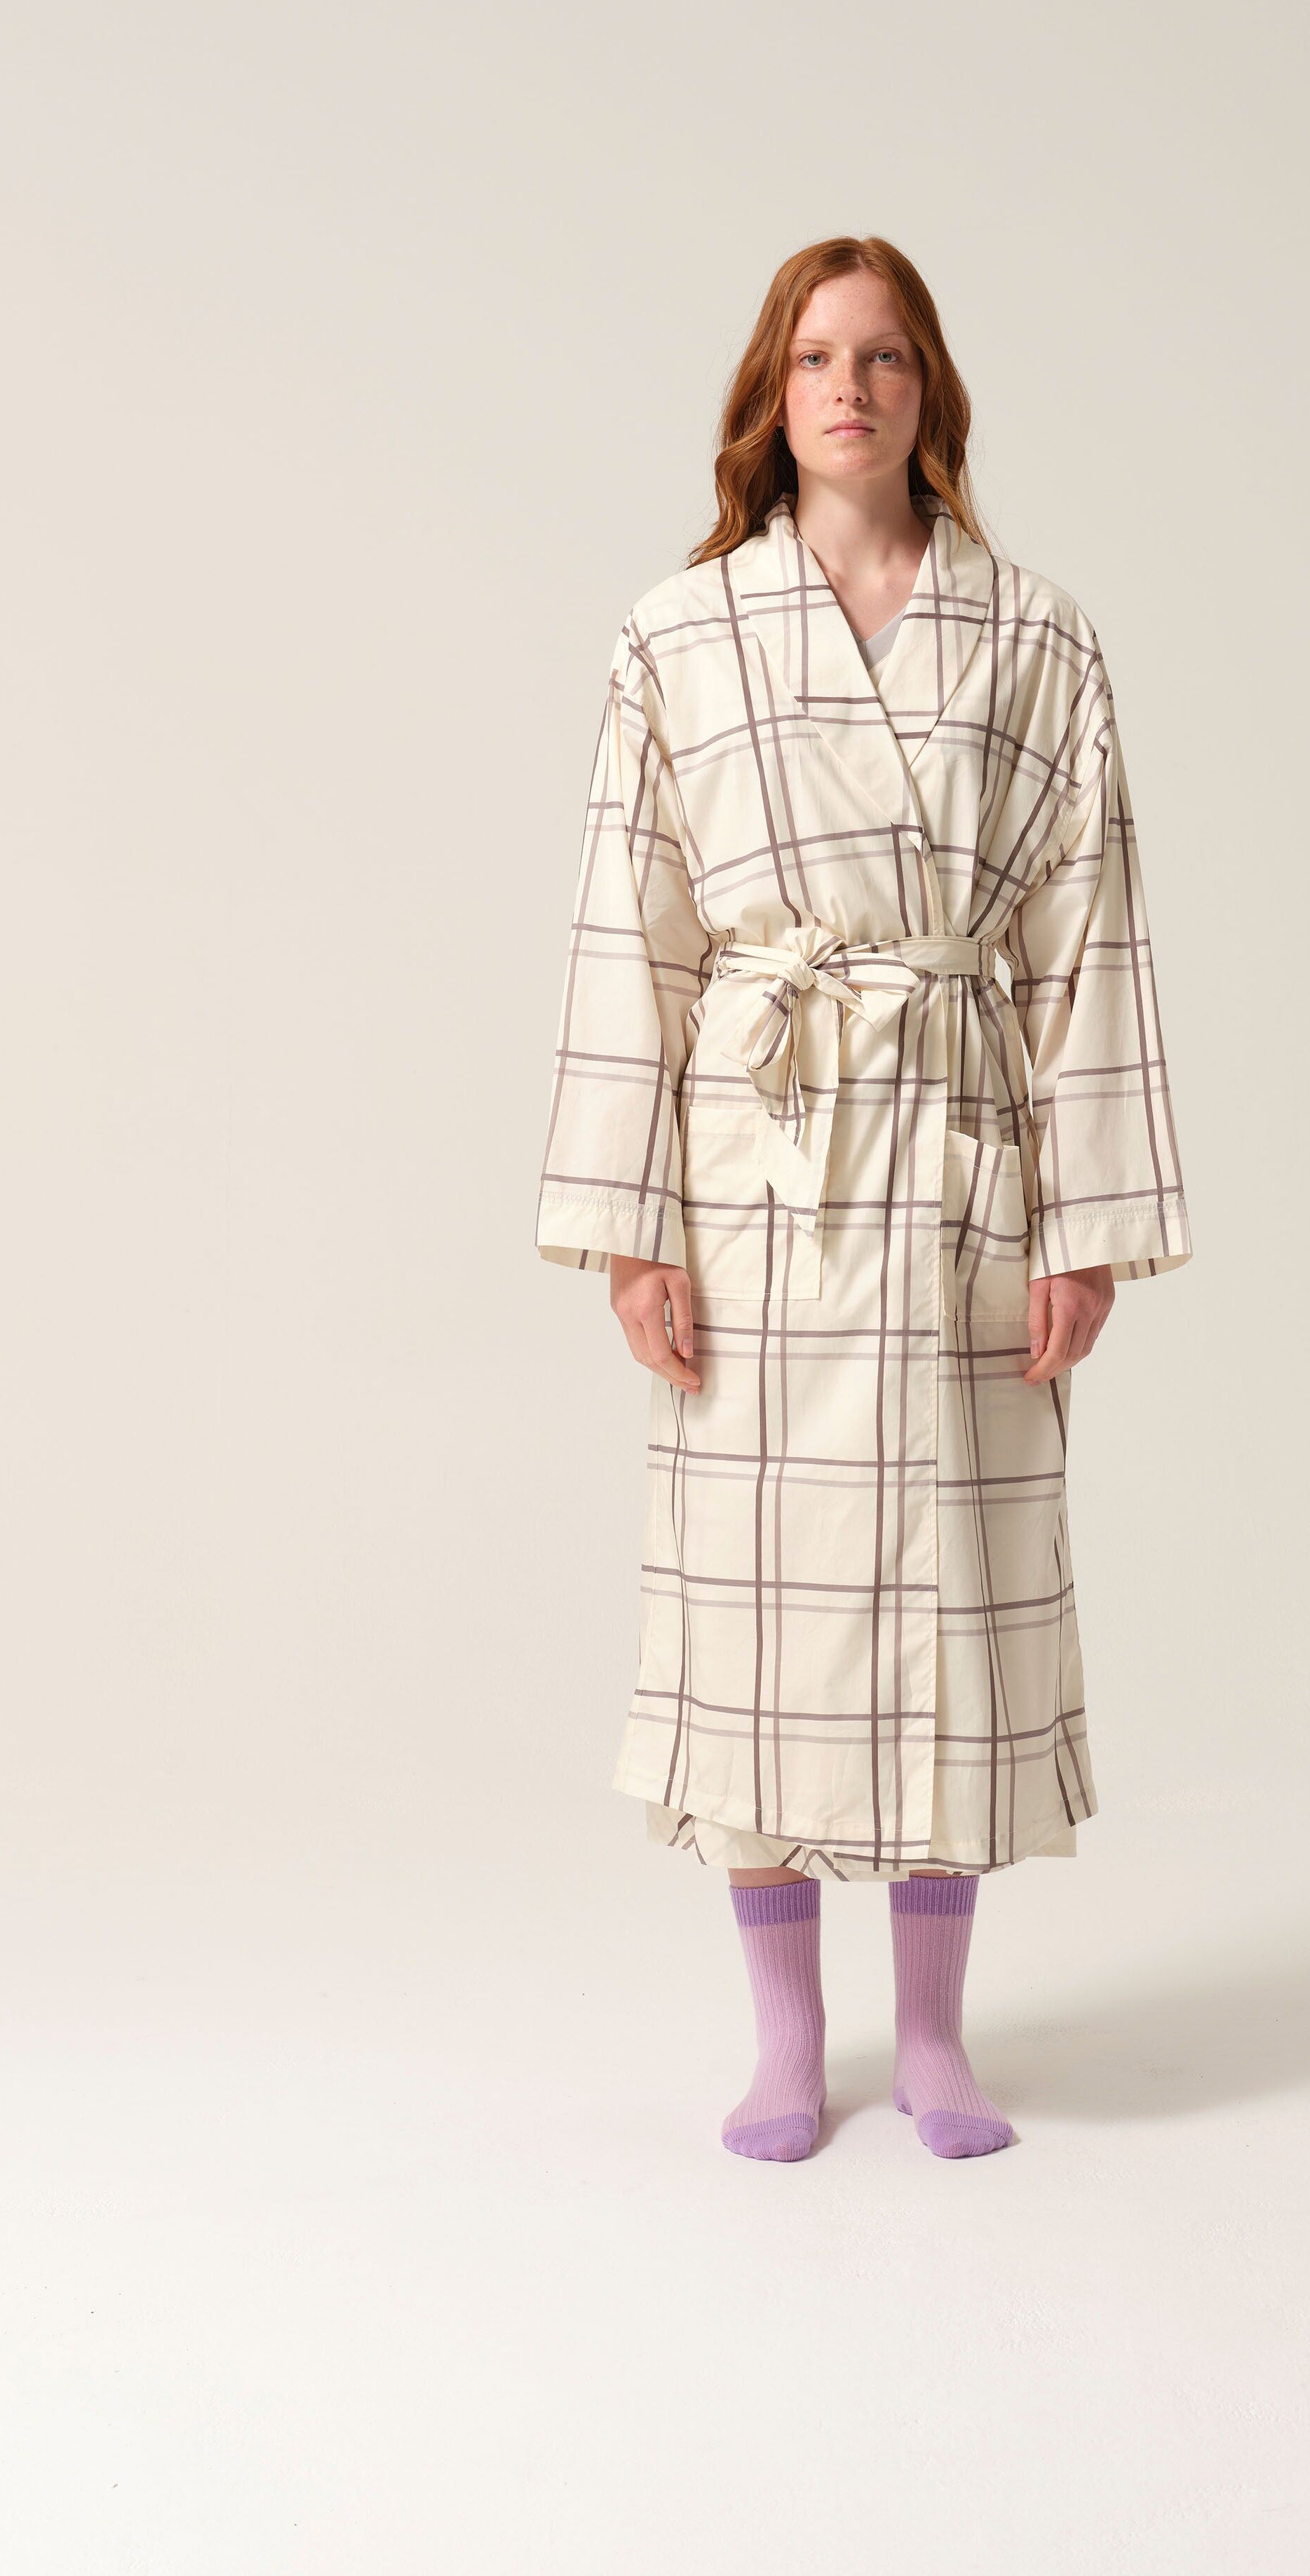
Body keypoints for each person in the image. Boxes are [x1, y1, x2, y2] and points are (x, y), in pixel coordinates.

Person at [535, 236, 1191, 2161]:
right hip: (761, 1175)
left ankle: (931, 2041)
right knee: (762, 1603)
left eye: (886, 357)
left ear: (932, 393)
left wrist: (1086, 1224)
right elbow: (629, 932)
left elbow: (1092, 932)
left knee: (953, 1585)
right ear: (774, 391)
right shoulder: (680, 634)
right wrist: (633, 1226)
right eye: (818, 357)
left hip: (959, 1162)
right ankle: (781, 2042)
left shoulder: (1035, 636)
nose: (851, 388)